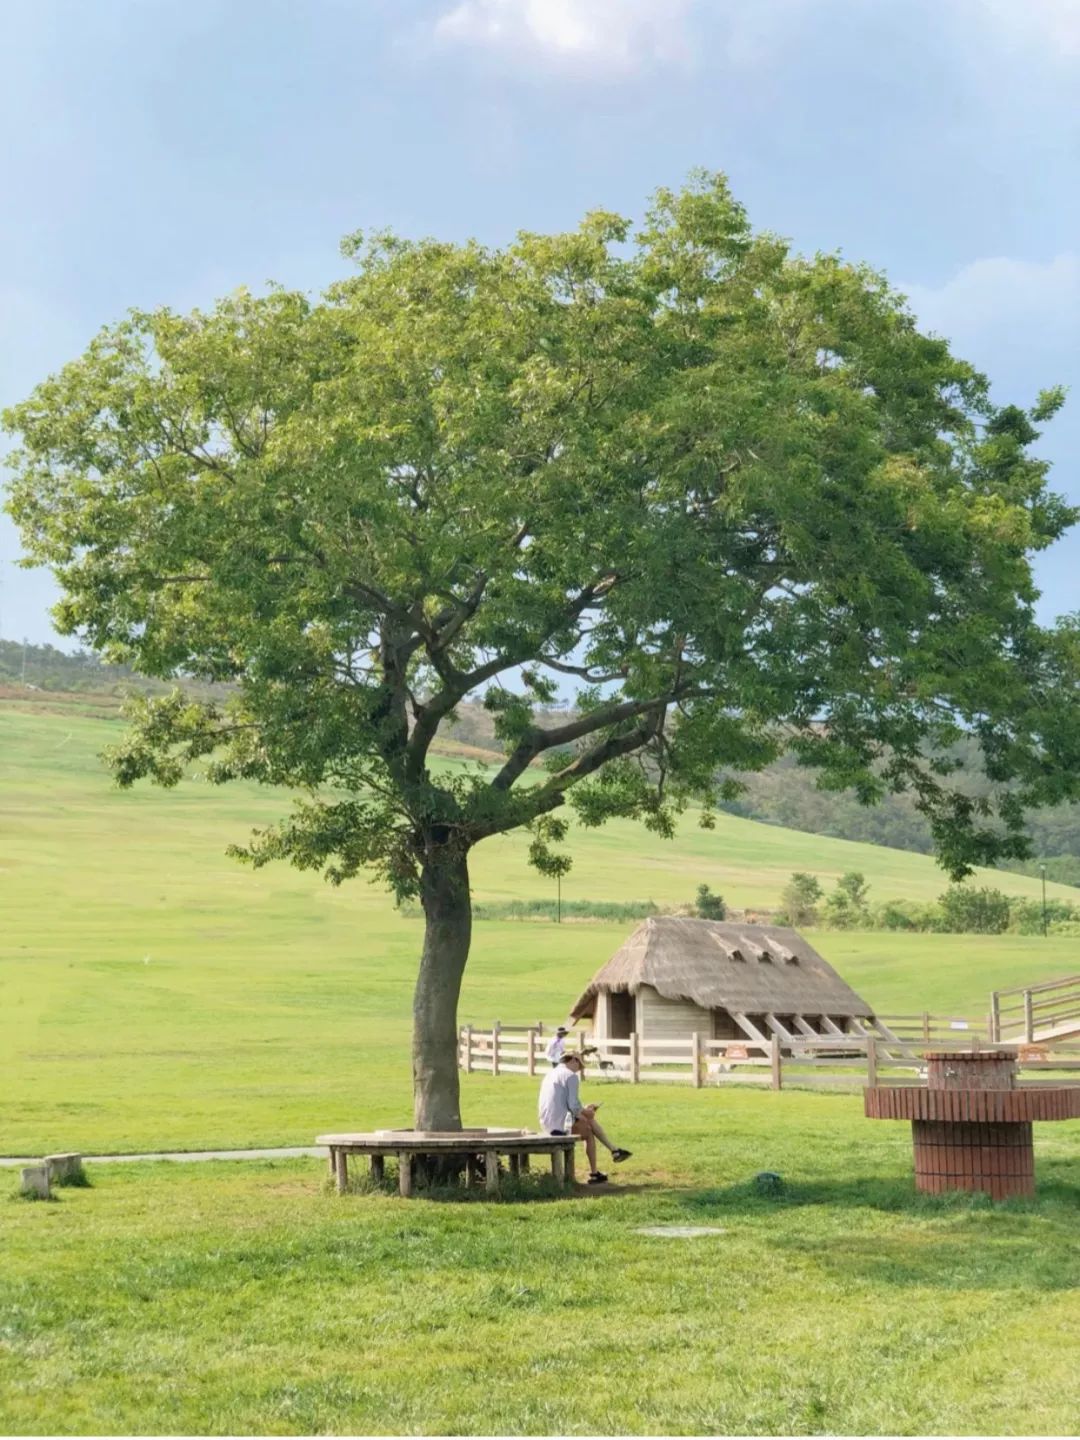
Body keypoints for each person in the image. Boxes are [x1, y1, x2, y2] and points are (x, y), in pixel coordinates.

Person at [537, 1052, 632, 1184]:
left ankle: (614, 1151)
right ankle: (598, 1168)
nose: (579, 1070)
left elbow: (566, 1104)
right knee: (588, 1129)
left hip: (547, 1123)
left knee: (588, 1120)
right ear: (574, 1060)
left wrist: (585, 1110)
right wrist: (587, 1112)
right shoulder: (571, 1076)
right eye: (580, 1066)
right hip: (560, 1126)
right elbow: (574, 1106)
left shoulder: (550, 1074)